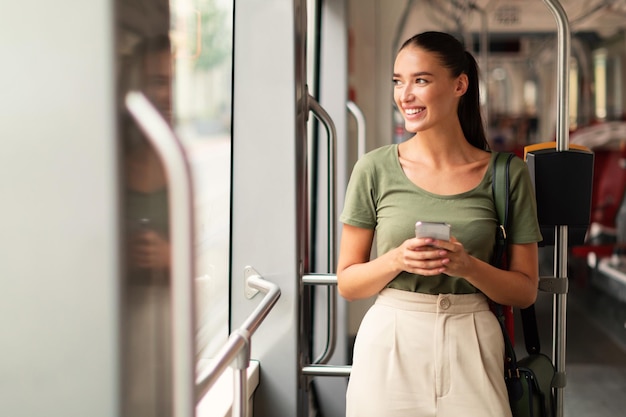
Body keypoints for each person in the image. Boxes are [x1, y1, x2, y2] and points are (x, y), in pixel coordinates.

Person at [337, 31, 542, 417]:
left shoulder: (506, 174)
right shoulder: (373, 169)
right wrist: (397, 259)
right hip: (390, 343)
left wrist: (468, 266)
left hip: (474, 342)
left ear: (460, 85)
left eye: (421, 80)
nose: (405, 94)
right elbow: (347, 282)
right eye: (398, 81)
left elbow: (525, 290)